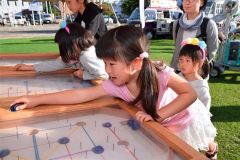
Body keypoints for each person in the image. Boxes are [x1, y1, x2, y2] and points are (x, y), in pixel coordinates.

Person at [11, 26, 217, 158]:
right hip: (157, 122)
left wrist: (157, 115)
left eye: (111, 64)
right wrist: (36, 100)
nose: (107, 71)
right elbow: (80, 95)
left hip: (180, 116)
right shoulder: (115, 83)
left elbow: (189, 94)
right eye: (105, 64)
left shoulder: (159, 73)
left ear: (135, 63)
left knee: (197, 145)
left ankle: (212, 148)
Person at [14, 22, 108, 82]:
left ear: (73, 43)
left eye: (63, 46)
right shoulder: (78, 53)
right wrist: (31, 67)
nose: (62, 50)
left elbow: (103, 75)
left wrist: (83, 74)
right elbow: (56, 64)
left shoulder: (87, 55)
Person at [171, 0, 219, 71]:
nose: (188, 2)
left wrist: (198, 67)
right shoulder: (177, 24)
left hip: (197, 73)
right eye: (185, 0)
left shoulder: (209, 24)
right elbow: (177, 46)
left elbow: (212, 50)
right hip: (178, 71)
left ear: (202, 2)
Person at [178, 38, 211, 110]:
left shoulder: (202, 89)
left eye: (187, 60)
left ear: (199, 63)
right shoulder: (176, 79)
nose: (183, 64)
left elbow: (204, 113)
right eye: (181, 59)